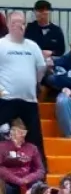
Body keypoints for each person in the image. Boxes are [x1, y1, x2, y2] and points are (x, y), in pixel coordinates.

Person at [0, 12, 47, 158]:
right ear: (7, 24)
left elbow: (41, 68)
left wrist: (35, 83)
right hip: (5, 100)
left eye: (21, 22)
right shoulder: (1, 44)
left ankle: (40, 175)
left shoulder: (32, 46)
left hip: (29, 100)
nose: (17, 25)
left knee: (35, 140)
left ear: (25, 25)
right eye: (13, 22)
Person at [0, 117, 45, 194]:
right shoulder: (2, 146)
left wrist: (27, 179)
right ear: (11, 132)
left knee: (38, 186)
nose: (21, 135)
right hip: (8, 182)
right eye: (18, 132)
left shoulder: (32, 148)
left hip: (26, 180)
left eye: (23, 132)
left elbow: (40, 170)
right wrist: (14, 146)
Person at [25, 0, 66, 67]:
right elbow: (24, 45)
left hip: (51, 61)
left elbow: (61, 50)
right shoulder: (30, 28)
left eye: (44, 12)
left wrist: (51, 53)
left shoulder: (56, 30)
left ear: (49, 12)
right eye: (39, 12)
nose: (41, 15)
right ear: (35, 13)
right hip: (32, 60)